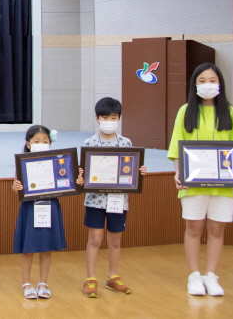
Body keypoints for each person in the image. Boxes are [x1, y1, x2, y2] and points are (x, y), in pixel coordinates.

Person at [168, 63, 233, 297]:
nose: (207, 85)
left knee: (217, 228)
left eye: (212, 80)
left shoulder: (229, 112)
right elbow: (177, 145)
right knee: (194, 228)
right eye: (202, 81)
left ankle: (211, 275)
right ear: (194, 85)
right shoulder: (185, 111)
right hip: (193, 182)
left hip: (223, 183)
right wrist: (178, 172)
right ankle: (194, 275)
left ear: (219, 83)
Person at [78, 97, 147, 298]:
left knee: (115, 240)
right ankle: (90, 278)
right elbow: (83, 171)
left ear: (119, 118)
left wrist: (139, 171)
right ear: (97, 119)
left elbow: (131, 169)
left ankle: (113, 276)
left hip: (119, 200)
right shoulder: (89, 143)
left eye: (114, 117)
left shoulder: (126, 143)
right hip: (95, 200)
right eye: (105, 117)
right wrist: (80, 176)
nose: (109, 121)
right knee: (95, 239)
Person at [12, 125, 67, 300]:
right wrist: (16, 187)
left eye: (45, 141)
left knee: (46, 247)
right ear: (29, 144)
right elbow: (15, 186)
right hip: (30, 207)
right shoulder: (22, 162)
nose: (41, 144)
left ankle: (43, 283)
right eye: (37, 141)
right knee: (28, 248)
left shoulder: (57, 161)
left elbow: (65, 180)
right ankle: (26, 284)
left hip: (50, 206)